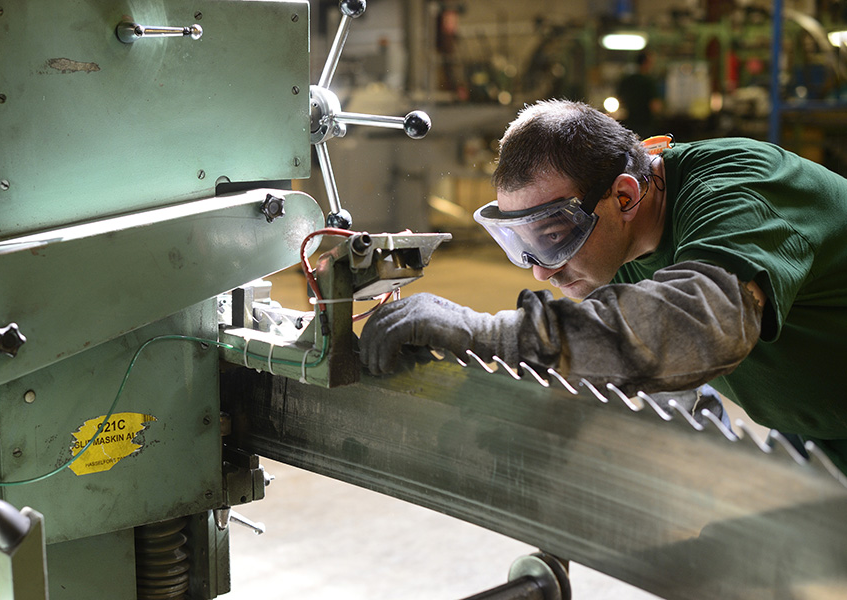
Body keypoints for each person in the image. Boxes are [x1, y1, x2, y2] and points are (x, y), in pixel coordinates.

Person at [359, 99, 847, 475]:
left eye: (554, 237)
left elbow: (697, 325)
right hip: (818, 427)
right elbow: (628, 345)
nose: (542, 272)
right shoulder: (616, 243)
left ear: (624, 195)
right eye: (525, 245)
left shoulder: (740, 189)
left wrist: (488, 333)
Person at [616, 50, 662, 138]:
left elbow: (619, 100)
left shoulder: (626, 80)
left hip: (627, 123)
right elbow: (655, 106)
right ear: (646, 63)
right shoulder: (649, 81)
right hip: (645, 123)